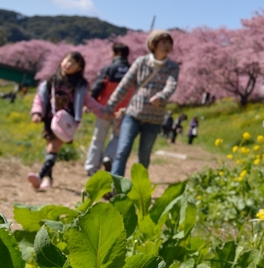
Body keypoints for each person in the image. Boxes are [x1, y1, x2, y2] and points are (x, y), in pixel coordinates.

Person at [27, 51, 110, 190]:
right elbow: (40, 99)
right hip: (49, 119)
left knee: (53, 147)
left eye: (73, 63)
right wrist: (37, 112)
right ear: (61, 61)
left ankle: (40, 176)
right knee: (50, 149)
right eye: (67, 60)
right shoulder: (51, 81)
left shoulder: (80, 85)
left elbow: (88, 101)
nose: (69, 64)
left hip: (66, 122)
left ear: (79, 68)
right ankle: (48, 178)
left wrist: (103, 112)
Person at [109, 29, 180, 178]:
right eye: (163, 42)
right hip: (133, 115)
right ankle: (115, 188)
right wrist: (111, 105)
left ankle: (138, 191)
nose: (167, 45)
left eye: (169, 42)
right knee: (122, 150)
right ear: (154, 44)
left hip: (154, 119)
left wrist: (162, 96)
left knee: (144, 157)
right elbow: (125, 85)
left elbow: (171, 85)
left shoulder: (173, 67)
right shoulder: (141, 62)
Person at [84, 42, 132, 176]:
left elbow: (98, 86)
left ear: (116, 53)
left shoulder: (108, 68)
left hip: (104, 109)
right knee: (117, 137)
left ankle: (92, 167)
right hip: (123, 111)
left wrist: (90, 104)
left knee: (98, 138)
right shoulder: (132, 70)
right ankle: (109, 157)